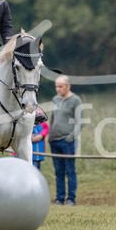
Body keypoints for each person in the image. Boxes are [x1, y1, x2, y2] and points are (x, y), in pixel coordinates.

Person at [49, 75, 83, 205]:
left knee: (70, 170)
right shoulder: (55, 99)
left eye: (60, 86)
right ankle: (59, 198)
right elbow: (52, 119)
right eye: (56, 86)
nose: (58, 89)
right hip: (54, 141)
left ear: (68, 86)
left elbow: (80, 122)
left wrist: (70, 138)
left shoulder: (75, 100)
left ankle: (71, 198)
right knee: (59, 172)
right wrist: (50, 136)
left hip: (67, 141)